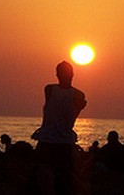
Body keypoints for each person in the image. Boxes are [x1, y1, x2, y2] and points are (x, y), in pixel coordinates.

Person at [32, 61, 87, 195]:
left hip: (56, 141)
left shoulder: (53, 90)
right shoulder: (51, 90)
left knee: (60, 177)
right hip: (54, 140)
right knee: (54, 177)